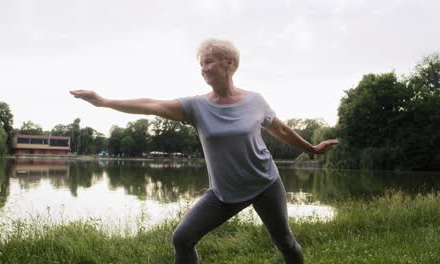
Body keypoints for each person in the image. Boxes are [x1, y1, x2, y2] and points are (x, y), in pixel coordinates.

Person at [70, 38, 339, 264]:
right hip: (224, 194)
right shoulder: (195, 107)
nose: (203, 68)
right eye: (201, 64)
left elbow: (281, 130)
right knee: (182, 238)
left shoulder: (255, 101)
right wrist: (104, 101)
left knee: (285, 242)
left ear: (229, 64)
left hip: (265, 183)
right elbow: (151, 104)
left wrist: (311, 149)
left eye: (209, 61)